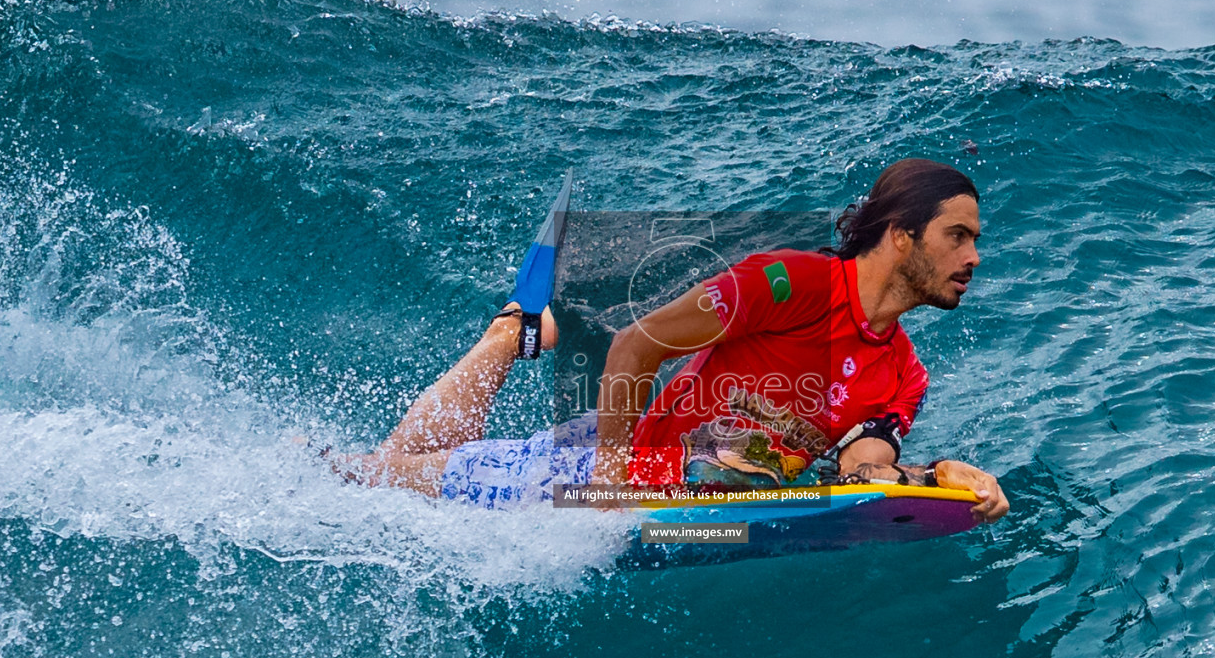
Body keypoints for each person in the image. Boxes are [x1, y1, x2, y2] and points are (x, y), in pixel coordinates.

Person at [332, 159, 1009, 523]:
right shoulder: (787, 283)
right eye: (959, 236)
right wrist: (610, 485)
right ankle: (511, 333)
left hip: (683, 479)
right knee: (371, 478)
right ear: (900, 236)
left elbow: (861, 474)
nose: (975, 256)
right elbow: (635, 347)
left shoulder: (904, 375)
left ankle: (514, 332)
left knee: (401, 466)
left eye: (975, 239)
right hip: (610, 464)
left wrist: (939, 478)